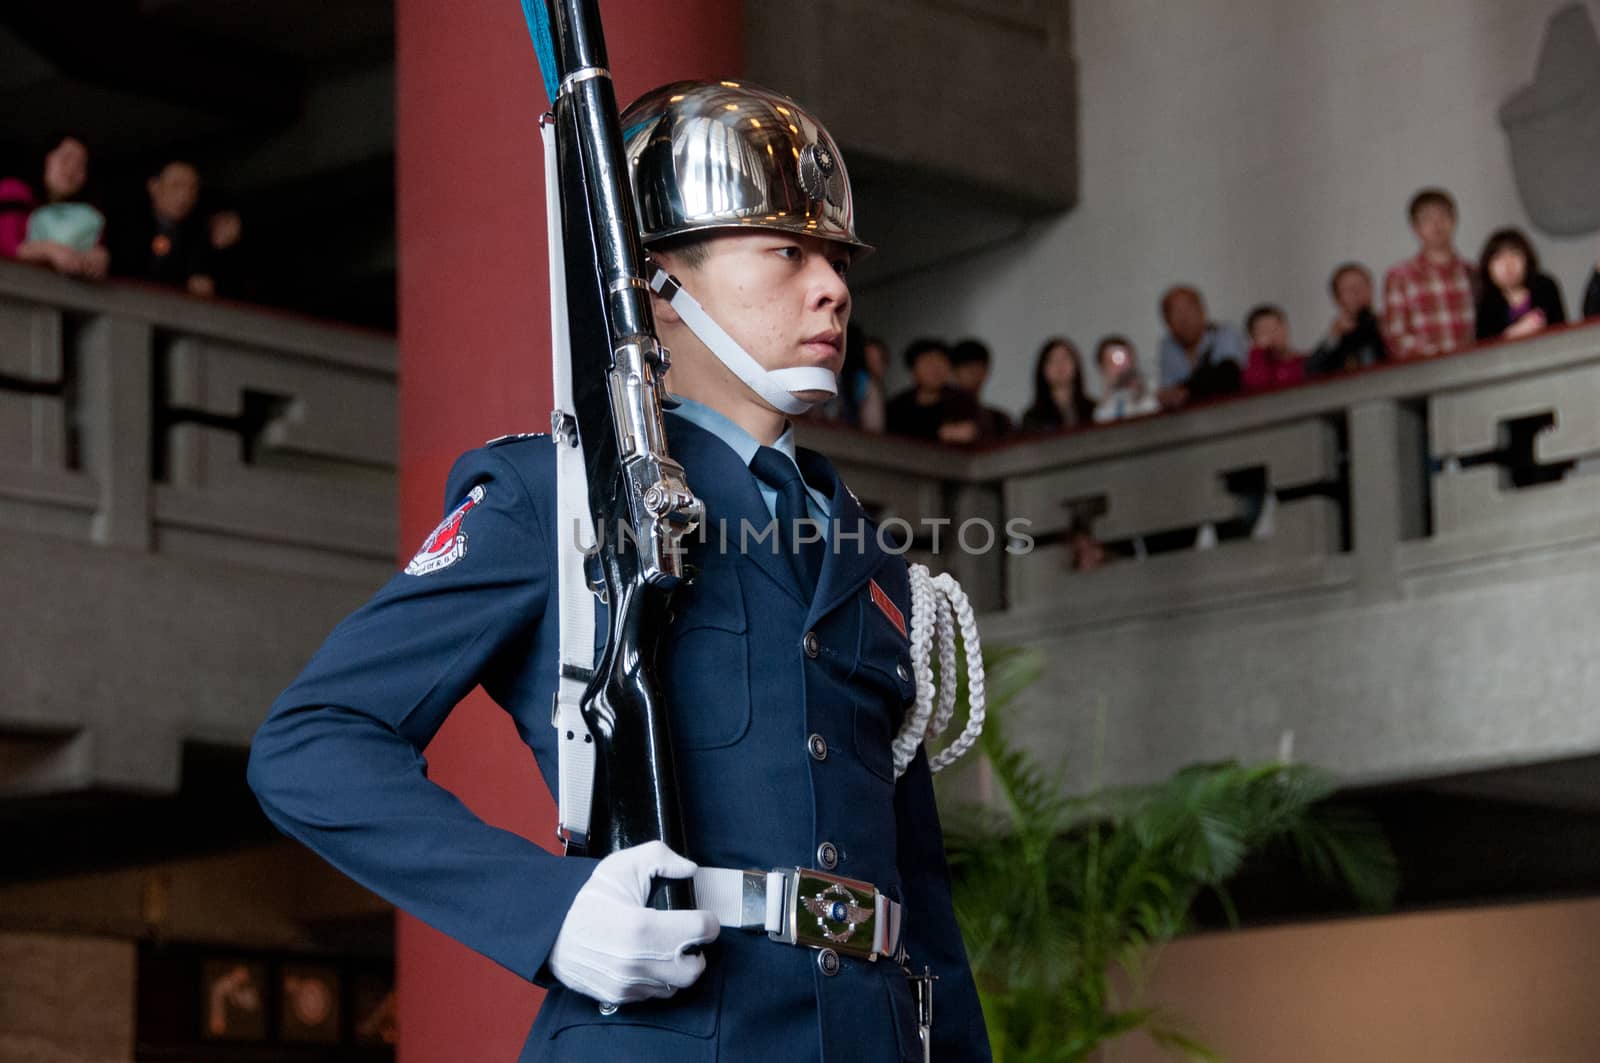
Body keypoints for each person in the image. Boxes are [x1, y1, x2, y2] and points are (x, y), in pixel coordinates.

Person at [247, 79, 988, 1063]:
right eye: (786, 250)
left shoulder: (876, 564)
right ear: (656, 288)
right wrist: (547, 914)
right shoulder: (552, 498)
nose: (833, 287)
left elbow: (918, 898)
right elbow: (310, 740)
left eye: (836, 258)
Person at [1381, 188, 1476, 359]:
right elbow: (1395, 337)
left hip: (1475, 370)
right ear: (1416, 228)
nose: (1437, 224)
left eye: (1443, 216)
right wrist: (1438, 355)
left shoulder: (1473, 273)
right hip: (1425, 375)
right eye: (1427, 219)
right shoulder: (1400, 276)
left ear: (1454, 221)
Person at [110, 160, 214, 296]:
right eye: (176, 185)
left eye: (192, 188)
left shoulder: (199, 235)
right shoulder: (123, 223)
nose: (185, 195)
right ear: (153, 186)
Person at [14, 136, 109, 279]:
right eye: (65, 159)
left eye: (80, 165)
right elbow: (8, 243)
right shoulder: (14, 192)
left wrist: (98, 257)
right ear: (46, 159)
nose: (71, 170)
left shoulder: (89, 216)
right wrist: (49, 250)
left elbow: (93, 247)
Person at [1154, 285, 1246, 409]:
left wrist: (1186, 390)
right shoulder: (1168, 347)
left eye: (1189, 309)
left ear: (1203, 311)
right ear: (1166, 320)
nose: (1184, 318)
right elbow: (1170, 393)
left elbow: (1227, 376)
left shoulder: (1224, 333)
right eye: (1176, 312)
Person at [1474, 227, 1566, 341]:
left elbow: (1561, 332)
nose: (1508, 264)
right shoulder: (1486, 303)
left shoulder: (1545, 287)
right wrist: (1513, 333)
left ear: (1527, 259)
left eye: (1515, 254)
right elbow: (1484, 348)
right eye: (1498, 258)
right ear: (1487, 266)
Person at [885, 337, 981, 443]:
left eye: (941, 362)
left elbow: (973, 432)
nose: (936, 369)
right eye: (928, 363)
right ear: (913, 369)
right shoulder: (898, 405)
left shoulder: (963, 400)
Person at [1306, 263, 1388, 376]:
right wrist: (1333, 336)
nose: (1357, 292)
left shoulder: (1386, 325)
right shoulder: (1337, 338)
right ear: (1337, 299)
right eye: (1349, 289)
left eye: (1361, 285)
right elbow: (1311, 370)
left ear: (1371, 289)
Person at [1019, 336, 1095, 434]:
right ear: (1043, 370)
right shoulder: (1033, 417)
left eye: (1065, 358)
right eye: (1052, 360)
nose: (1060, 365)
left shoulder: (1093, 410)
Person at [949, 339, 1014, 441]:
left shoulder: (999, 420)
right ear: (953, 371)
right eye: (968, 367)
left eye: (980, 367)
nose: (975, 373)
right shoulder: (939, 415)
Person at [1091, 334, 1158, 423]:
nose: (1120, 367)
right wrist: (1106, 397)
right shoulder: (1100, 407)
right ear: (1101, 368)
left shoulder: (1154, 390)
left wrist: (1141, 396)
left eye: (1123, 358)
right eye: (1111, 362)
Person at [1242, 304, 1307, 392]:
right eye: (1264, 332)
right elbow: (1256, 386)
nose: (1272, 335)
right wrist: (1258, 351)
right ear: (1254, 338)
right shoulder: (1255, 368)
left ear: (1285, 328)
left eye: (1275, 328)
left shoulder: (1306, 362)